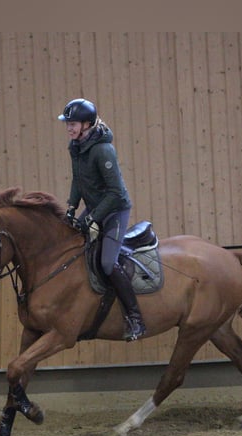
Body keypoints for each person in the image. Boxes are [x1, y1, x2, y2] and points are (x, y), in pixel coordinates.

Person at [57, 98, 146, 341]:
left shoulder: (102, 150)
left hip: (115, 209)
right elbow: (78, 180)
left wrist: (94, 217)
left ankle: (135, 318)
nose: (69, 128)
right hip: (96, 207)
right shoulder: (75, 146)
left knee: (107, 263)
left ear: (87, 124)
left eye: (73, 124)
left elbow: (115, 192)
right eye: (68, 124)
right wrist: (72, 208)